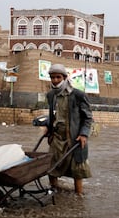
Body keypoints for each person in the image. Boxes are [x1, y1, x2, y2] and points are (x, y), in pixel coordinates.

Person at [45, 64, 93, 195]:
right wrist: (48, 129)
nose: (55, 80)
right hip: (57, 137)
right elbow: (53, 114)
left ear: (65, 77)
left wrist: (84, 134)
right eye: (52, 77)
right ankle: (54, 189)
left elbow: (88, 118)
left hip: (74, 136)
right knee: (51, 164)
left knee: (78, 168)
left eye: (58, 77)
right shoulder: (51, 95)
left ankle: (79, 195)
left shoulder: (77, 95)